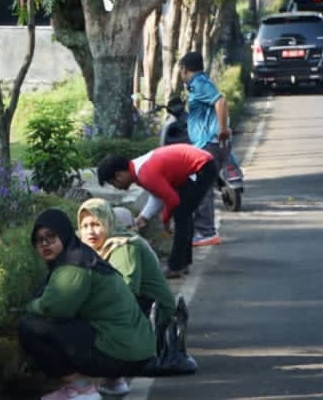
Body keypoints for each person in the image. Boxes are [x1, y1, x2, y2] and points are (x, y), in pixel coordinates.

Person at [20, 209, 155, 400]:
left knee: (30, 326)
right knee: (78, 320)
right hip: (135, 349)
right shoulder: (82, 255)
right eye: (39, 240)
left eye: (51, 236)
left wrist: (30, 306)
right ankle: (113, 382)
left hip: (120, 353)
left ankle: (80, 388)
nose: (45, 244)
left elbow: (54, 308)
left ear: (64, 234)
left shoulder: (72, 266)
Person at [98, 144, 217, 279]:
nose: (116, 188)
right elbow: (159, 195)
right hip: (199, 165)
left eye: (113, 184)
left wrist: (165, 220)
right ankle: (183, 262)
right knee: (184, 215)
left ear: (119, 175)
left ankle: (176, 266)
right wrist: (144, 217)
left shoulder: (144, 174)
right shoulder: (139, 170)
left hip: (202, 167)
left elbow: (172, 200)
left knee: (182, 214)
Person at [76, 199, 177, 341]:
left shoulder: (124, 245)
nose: (90, 231)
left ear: (108, 223)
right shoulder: (89, 245)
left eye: (96, 224)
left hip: (154, 314)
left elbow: (126, 291)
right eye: (84, 226)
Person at [179, 51, 230, 249]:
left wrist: (222, 129)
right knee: (203, 186)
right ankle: (204, 230)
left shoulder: (200, 83)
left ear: (184, 69)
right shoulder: (198, 84)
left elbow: (221, 101)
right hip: (207, 143)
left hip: (208, 143)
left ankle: (206, 231)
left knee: (202, 188)